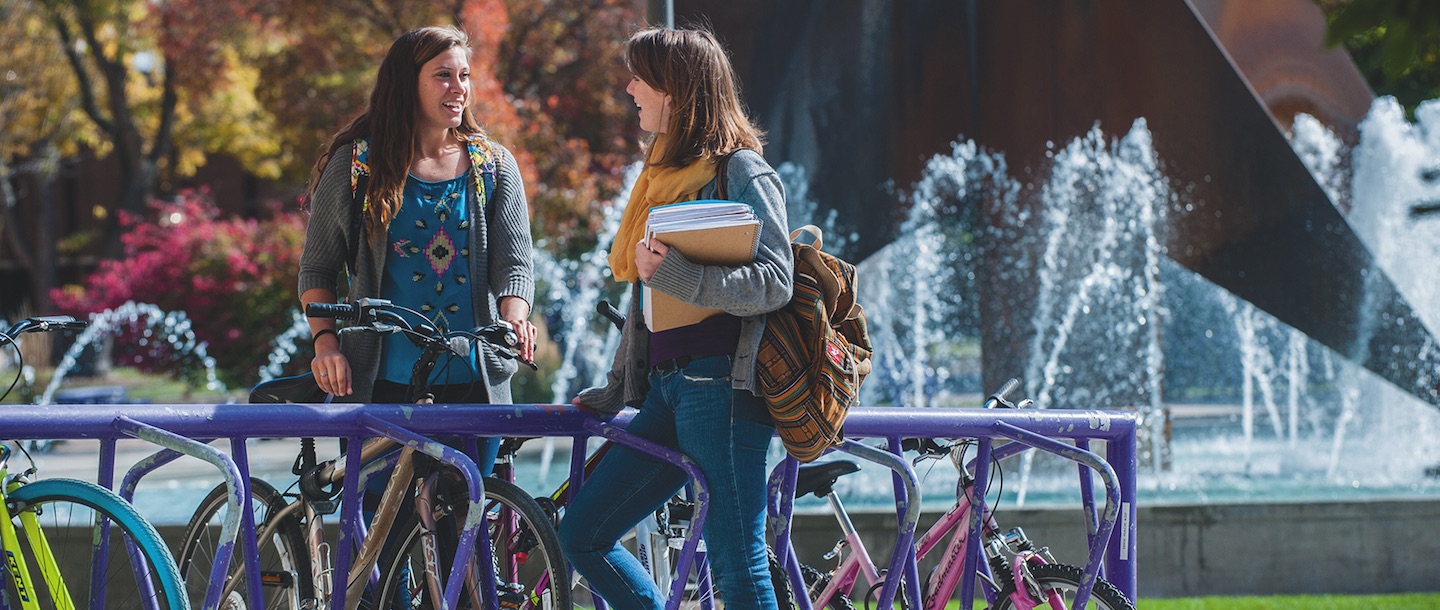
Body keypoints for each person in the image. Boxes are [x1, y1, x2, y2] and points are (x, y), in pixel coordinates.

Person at [558, 26, 793, 610]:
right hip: (668, 389)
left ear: (678, 90)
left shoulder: (742, 171)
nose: (631, 87)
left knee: (739, 567)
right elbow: (648, 302)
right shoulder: (659, 178)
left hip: (724, 388)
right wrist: (618, 388)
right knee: (582, 534)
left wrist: (680, 276)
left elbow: (775, 281)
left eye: (642, 76)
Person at [297, 24, 537, 476]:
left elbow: (515, 265)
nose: (459, 88)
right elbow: (317, 270)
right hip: (382, 382)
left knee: (463, 529)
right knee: (384, 531)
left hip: (474, 383)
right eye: (443, 75)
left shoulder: (494, 166)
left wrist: (516, 315)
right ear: (409, 82)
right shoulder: (357, 166)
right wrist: (325, 343)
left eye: (464, 75)